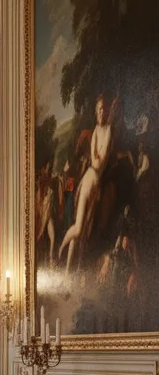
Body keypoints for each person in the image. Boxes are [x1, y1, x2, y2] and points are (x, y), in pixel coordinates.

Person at [58, 94, 113, 275]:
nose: (101, 112)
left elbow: (102, 158)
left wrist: (100, 155)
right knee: (79, 227)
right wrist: (98, 155)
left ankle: (71, 272)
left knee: (85, 232)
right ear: (96, 113)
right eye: (99, 109)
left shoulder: (108, 130)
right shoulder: (97, 131)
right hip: (89, 179)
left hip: (96, 184)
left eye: (104, 109)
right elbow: (96, 162)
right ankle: (60, 249)